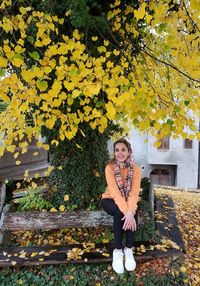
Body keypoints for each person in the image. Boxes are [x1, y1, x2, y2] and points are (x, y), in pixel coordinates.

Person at [101, 138, 141, 274]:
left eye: (123, 149)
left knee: (133, 211)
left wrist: (130, 211)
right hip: (109, 199)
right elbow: (115, 193)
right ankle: (118, 251)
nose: (120, 153)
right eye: (117, 150)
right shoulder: (110, 168)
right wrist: (127, 212)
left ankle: (128, 250)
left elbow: (134, 194)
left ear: (129, 152)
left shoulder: (135, 169)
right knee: (121, 211)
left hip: (127, 200)